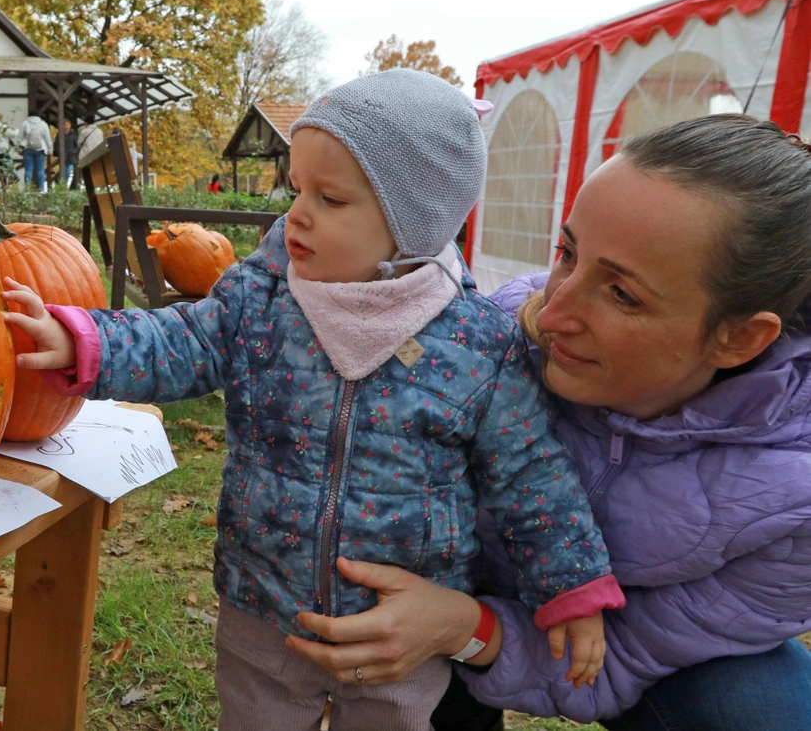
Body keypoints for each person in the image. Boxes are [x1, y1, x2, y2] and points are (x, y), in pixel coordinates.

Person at [1, 70, 626, 731]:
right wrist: (85, 341)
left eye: (331, 198)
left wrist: (572, 586)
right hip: (263, 601)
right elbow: (183, 339)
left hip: (396, 632)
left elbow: (533, 477)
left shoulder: (478, 344)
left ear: (411, 225)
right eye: (298, 189)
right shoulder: (262, 298)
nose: (296, 214)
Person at [287, 114, 811, 731]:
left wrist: (465, 628)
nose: (552, 312)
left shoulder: (792, 501)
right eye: (568, 253)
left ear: (739, 337)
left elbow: (614, 665)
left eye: (622, 294)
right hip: (423, 590)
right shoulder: (482, 338)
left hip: (591, 647)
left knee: (761, 706)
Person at [17, 113, 53, 192]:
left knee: (28, 170)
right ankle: (42, 189)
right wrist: (50, 149)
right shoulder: (43, 124)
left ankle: (27, 189)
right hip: (40, 149)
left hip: (27, 149)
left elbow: (20, 138)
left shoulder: (25, 123)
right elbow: (47, 138)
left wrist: (19, 149)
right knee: (40, 170)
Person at [56, 117, 81, 189]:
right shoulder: (59, 134)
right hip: (62, 156)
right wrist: (59, 152)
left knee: (69, 171)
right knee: (62, 171)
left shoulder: (73, 134)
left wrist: (74, 151)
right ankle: (61, 186)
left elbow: (76, 145)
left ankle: (64, 185)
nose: (66, 126)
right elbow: (56, 145)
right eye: (65, 125)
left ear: (70, 125)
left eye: (68, 125)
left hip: (71, 156)